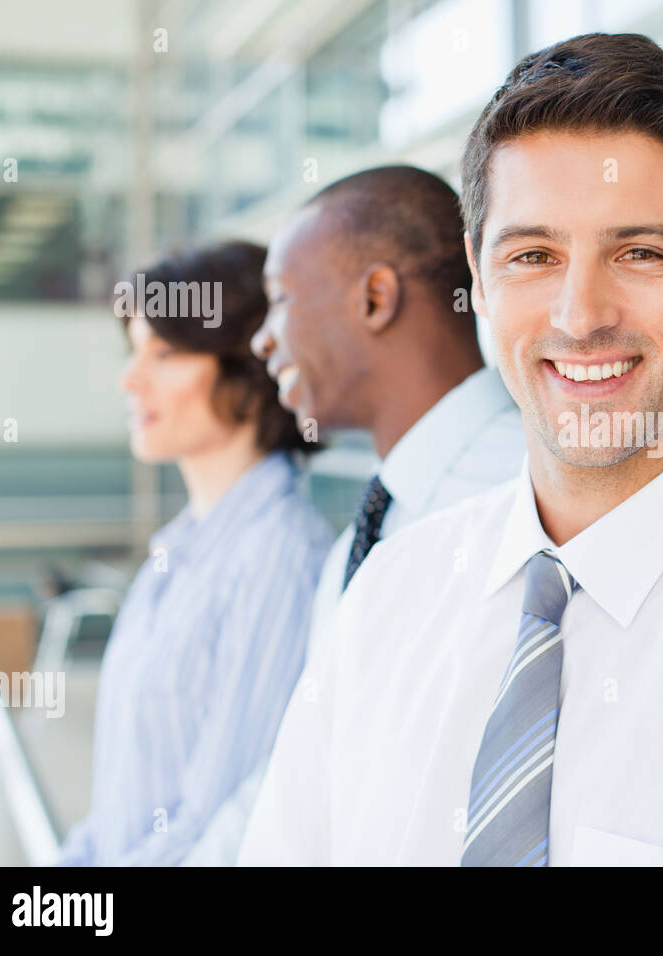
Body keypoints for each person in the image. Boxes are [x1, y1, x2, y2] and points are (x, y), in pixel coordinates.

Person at [238, 32, 663, 867]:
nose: (580, 315)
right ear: (479, 277)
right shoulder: (385, 603)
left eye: (640, 252)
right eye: (534, 256)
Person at [182, 166, 524, 865]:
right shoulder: (357, 548)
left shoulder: (539, 497)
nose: (261, 341)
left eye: (280, 302)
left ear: (376, 298)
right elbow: (306, 775)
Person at [58, 241, 334, 866]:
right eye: (133, 352)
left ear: (247, 365)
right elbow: (123, 806)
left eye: (167, 353)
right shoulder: (180, 551)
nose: (130, 379)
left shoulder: (280, 557)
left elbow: (216, 827)